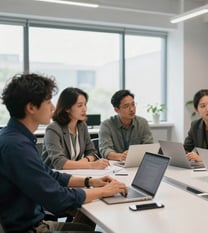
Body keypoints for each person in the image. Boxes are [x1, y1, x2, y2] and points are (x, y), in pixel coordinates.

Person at [0, 73, 127, 232]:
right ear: (31, 107)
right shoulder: (17, 146)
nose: (53, 107)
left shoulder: (16, 138)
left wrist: (91, 182)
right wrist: (103, 191)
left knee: (85, 224)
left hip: (32, 222)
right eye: (48, 101)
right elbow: (56, 198)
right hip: (29, 228)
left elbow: (51, 175)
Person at [42, 87, 109, 170]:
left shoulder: (82, 126)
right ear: (67, 108)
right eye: (80, 105)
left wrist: (84, 161)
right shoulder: (53, 129)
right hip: (54, 176)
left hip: (74, 174)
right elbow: (59, 162)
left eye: (85, 104)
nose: (84, 109)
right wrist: (91, 165)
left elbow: (92, 152)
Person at [99, 89, 153, 161]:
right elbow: (105, 150)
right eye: (126, 106)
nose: (132, 109)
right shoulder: (106, 125)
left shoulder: (142, 123)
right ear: (116, 110)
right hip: (115, 166)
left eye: (133, 104)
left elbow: (149, 146)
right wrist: (120, 156)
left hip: (137, 163)